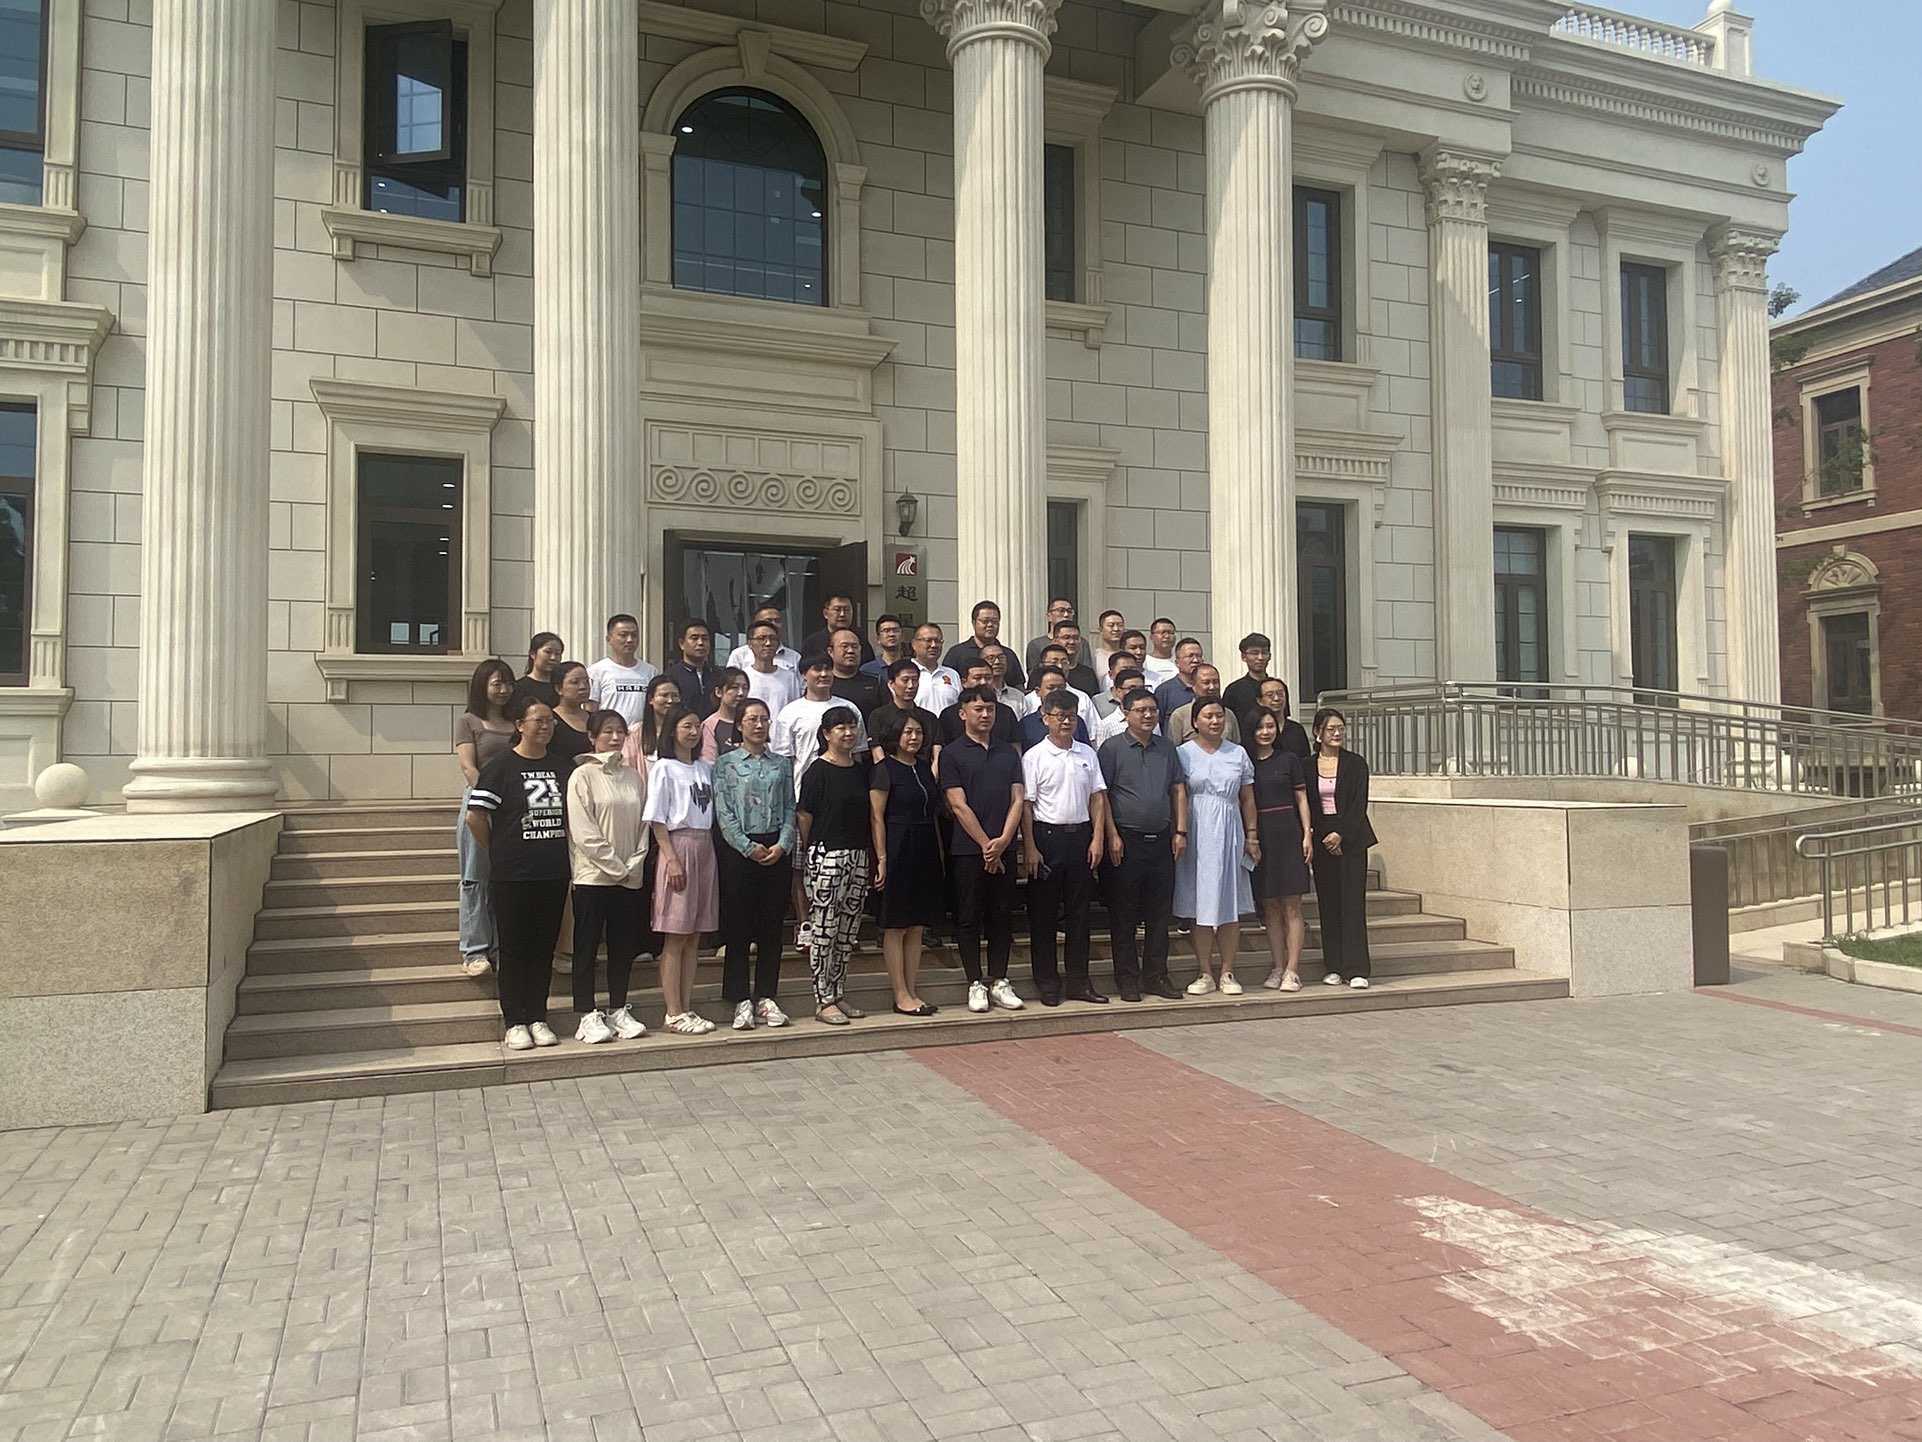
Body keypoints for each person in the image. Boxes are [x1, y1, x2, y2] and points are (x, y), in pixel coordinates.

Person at [465, 697, 570, 1050]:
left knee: (543, 947)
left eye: (550, 721)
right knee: (513, 948)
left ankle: (538, 1015)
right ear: (520, 725)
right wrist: (497, 849)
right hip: (512, 874)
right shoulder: (500, 766)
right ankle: (514, 1020)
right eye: (538, 720)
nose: (545, 726)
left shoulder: (561, 767)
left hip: (553, 872)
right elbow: (475, 816)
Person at [565, 710, 654, 1043]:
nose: (615, 738)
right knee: (587, 947)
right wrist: (616, 867)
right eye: (607, 731)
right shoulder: (582, 776)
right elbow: (583, 832)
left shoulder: (633, 777)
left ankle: (618, 1008)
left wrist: (634, 865)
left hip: (629, 878)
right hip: (593, 877)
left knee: (622, 947)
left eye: (620, 731)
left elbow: (644, 825)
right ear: (592, 737)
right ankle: (586, 1013)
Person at [1098, 689, 1188, 1002]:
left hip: (1162, 839)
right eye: (1140, 710)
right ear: (1126, 713)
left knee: (1159, 914)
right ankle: (1127, 978)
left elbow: (1178, 789)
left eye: (1152, 710)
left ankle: (1156, 976)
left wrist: (1180, 831)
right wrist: (1111, 835)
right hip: (1126, 840)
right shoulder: (1111, 749)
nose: (1148, 715)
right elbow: (1102, 795)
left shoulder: (1167, 748)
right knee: (1123, 913)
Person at [1020, 692, 1109, 1007]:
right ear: (1045, 718)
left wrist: (1097, 838)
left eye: (1071, 715)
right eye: (1060, 715)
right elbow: (1026, 806)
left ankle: (1079, 982)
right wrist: (1030, 847)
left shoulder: (1087, 753)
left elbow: (1098, 798)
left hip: (1081, 836)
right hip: (1046, 838)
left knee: (1080, 915)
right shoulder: (1034, 756)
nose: (1066, 721)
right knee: (1044, 916)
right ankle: (1047, 982)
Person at [712, 698, 796, 1031]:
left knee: (771, 927)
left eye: (764, 719)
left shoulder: (781, 764)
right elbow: (723, 812)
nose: (759, 725)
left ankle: (766, 995)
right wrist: (748, 848)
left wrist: (783, 844)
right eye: (752, 719)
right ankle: (740, 998)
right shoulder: (725, 764)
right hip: (740, 849)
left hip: (775, 847)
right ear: (740, 724)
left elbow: (789, 807)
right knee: (738, 927)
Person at [941, 686, 1026, 1014]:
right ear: (963, 713)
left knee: (1001, 916)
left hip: (1004, 845)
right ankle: (974, 981)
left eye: (990, 708)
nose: (985, 714)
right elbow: (957, 804)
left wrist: (1002, 841)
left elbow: (1017, 798)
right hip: (968, 848)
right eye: (978, 709)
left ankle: (1000, 979)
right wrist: (985, 846)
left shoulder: (1008, 752)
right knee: (969, 916)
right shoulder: (952, 754)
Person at [644, 705, 720, 1033]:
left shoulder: (704, 768)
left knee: (694, 935)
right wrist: (672, 858)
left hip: (705, 846)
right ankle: (672, 1011)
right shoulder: (664, 767)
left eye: (697, 726)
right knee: (676, 935)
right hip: (678, 845)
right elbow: (657, 819)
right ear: (672, 730)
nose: (693, 732)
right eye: (686, 726)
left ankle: (686, 1007)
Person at [1176, 698, 1258, 996]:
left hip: (1229, 829)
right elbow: (1178, 795)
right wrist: (1180, 832)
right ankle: (1205, 972)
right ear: (1195, 721)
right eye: (1208, 716)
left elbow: (1247, 798)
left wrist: (1252, 835)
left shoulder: (1238, 753)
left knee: (1228, 903)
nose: (1214, 721)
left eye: (1219, 716)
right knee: (1199, 903)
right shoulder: (1182, 754)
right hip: (1196, 831)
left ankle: (1227, 971)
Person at [797, 706, 872, 1025]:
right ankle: (822, 998)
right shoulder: (817, 770)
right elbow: (805, 816)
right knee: (825, 930)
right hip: (827, 854)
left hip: (858, 854)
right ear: (826, 733)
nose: (848, 733)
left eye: (852, 726)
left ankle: (838, 992)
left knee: (847, 931)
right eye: (840, 727)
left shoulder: (860, 770)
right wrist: (814, 852)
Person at [869, 710, 944, 1017]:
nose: (914, 737)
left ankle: (912, 990)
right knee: (896, 924)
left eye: (918, 732)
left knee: (916, 924)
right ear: (895, 735)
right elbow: (876, 816)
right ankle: (899, 993)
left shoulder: (924, 768)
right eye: (908, 732)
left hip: (924, 845)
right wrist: (882, 858)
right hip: (897, 844)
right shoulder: (883, 769)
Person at [453, 659, 516, 978]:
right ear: (482, 686)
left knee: (505, 879)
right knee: (476, 877)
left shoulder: (517, 723)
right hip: (480, 806)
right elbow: (468, 766)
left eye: (508, 683)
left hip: (513, 809)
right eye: (496, 684)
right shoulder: (468, 721)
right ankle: (475, 950)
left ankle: (501, 946)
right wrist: (490, 796)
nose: (504, 690)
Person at [1308, 706, 1377, 990]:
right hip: (1322, 838)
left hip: (1352, 838)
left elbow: (1359, 804)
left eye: (1340, 728)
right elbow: (1308, 805)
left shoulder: (1356, 764)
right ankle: (1334, 965)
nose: (1337, 733)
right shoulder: (1307, 765)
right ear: (1318, 732)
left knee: (1352, 903)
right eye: (1331, 729)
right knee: (1329, 904)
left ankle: (1356, 968)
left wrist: (1341, 834)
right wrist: (1325, 835)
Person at [1246, 707, 1314, 992]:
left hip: (1288, 832)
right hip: (1261, 835)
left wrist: (1307, 833)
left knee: (1292, 905)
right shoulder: (1246, 761)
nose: (1266, 732)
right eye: (1260, 727)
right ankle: (1277, 966)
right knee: (1270, 906)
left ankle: (1292, 969)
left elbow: (1301, 797)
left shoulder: (1289, 760)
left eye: (1270, 726)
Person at [773, 655, 869, 796]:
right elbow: (784, 759)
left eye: (828, 669)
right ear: (804, 674)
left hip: (846, 788)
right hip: (803, 791)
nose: (824, 674)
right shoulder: (789, 713)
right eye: (817, 670)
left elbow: (857, 753)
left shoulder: (849, 708)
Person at [587, 614, 658, 726]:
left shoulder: (650, 671)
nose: (629, 640)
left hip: (642, 734)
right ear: (609, 639)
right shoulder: (596, 671)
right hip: (610, 733)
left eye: (634, 635)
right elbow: (591, 709)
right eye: (623, 635)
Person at [869, 658, 941, 761]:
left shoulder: (929, 717)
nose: (911, 686)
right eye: (905, 680)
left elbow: (936, 751)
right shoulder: (879, 716)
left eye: (914, 680)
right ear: (891, 684)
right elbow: (877, 751)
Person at [944, 600, 1025, 689]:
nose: (990, 625)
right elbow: (947, 686)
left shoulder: (1007, 654)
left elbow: (1018, 687)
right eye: (985, 621)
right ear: (974, 623)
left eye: (995, 621)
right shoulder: (957, 653)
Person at [937, 660, 1017, 748]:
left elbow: (1015, 745)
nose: (983, 682)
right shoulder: (948, 714)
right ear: (964, 682)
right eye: (977, 678)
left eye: (988, 678)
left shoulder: (1006, 712)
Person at [740, 618, 803, 719]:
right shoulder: (743, 677)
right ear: (750, 643)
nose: (768, 643)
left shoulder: (789, 677)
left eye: (773, 639)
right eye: (761, 638)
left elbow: (795, 709)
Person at [1168, 664, 1242, 747]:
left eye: (1215, 682)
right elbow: (1172, 749)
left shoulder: (1228, 714)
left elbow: (1236, 745)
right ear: (1193, 685)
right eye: (1206, 683)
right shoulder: (1180, 715)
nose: (1212, 687)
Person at [622, 674, 682, 771]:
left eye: (675, 696)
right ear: (651, 699)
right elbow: (627, 768)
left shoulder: (687, 731)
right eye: (664, 695)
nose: (670, 700)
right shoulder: (634, 733)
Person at [1018, 667, 1090, 748]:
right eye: (1051, 688)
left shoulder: (1076, 722)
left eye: (1061, 688)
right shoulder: (1026, 724)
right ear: (1038, 691)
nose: (1057, 692)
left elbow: (1085, 750)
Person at [663, 619, 719, 720]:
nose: (700, 643)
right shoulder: (671, 676)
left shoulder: (717, 675)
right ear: (681, 644)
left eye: (705, 638)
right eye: (694, 638)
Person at [800, 593, 872, 665]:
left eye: (847, 610)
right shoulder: (812, 643)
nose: (842, 614)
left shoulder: (861, 641)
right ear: (825, 613)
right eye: (837, 610)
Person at [828, 627, 886, 716]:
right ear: (830, 651)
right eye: (844, 646)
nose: (850, 651)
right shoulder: (824, 684)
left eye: (855, 646)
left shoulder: (876, 682)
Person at [548, 660, 596, 768]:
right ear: (559, 688)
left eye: (586, 681)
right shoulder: (549, 720)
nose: (583, 687)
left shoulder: (595, 718)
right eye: (575, 682)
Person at [725, 605, 800, 672]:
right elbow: (731, 681)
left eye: (777, 621)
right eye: (768, 620)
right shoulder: (739, 655)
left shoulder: (794, 657)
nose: (773, 624)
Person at [1220, 633, 1273, 725]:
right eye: (1255, 653)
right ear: (1243, 657)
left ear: (1270, 656)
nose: (1260, 658)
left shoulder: (1277, 688)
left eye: (1264, 653)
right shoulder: (1233, 690)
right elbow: (1228, 723)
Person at [908, 623, 961, 713]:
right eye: (928, 640)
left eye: (937, 641)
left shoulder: (952, 674)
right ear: (914, 644)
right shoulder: (906, 673)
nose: (933, 645)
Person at [700, 667, 749, 761]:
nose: (741, 693)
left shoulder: (753, 720)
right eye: (734, 687)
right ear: (718, 692)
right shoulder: (710, 725)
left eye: (745, 688)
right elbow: (709, 762)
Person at [1257, 676, 1314, 759]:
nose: (1276, 698)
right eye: (1270, 695)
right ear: (1259, 701)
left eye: (1280, 694)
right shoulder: (1255, 729)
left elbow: (1305, 759)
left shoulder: (1297, 729)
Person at [1153, 637, 1204, 727]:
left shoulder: (1207, 688)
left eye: (1198, 656)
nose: (1195, 660)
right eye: (1190, 656)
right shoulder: (1164, 691)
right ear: (1177, 662)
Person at [1024, 597, 1076, 678]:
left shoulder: (1082, 643)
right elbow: (1033, 674)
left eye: (1069, 611)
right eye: (1061, 610)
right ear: (1049, 616)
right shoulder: (1036, 644)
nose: (1066, 615)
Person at [1092, 668, 1145, 747]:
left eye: (1141, 688)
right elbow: (1102, 752)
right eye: (1131, 688)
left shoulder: (1150, 719)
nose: (1137, 692)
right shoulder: (1107, 725)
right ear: (1118, 691)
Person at [513, 632, 565, 709]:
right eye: (548, 652)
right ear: (533, 654)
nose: (553, 658)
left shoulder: (563, 686)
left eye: (557, 654)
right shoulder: (519, 688)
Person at [1049, 620, 1101, 696]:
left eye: (1076, 638)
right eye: (1066, 637)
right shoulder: (1044, 671)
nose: (1072, 642)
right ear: (1055, 641)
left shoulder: (1088, 673)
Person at [982, 642, 1026, 716]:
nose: (997, 662)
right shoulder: (975, 695)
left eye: (1001, 658)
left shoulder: (1018, 696)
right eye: (991, 658)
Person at [859, 614, 908, 681]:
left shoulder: (912, 667)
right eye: (886, 630)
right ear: (878, 638)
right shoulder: (867, 670)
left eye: (895, 630)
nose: (891, 634)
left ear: (902, 636)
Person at [1141, 618, 1181, 690]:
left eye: (1170, 633)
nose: (1166, 636)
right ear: (1151, 637)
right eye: (1162, 632)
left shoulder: (1181, 661)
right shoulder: (1144, 662)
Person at [1090, 609, 1126, 676]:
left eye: (1120, 625)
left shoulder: (1128, 656)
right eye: (1111, 625)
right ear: (1100, 629)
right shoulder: (1093, 657)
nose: (1116, 629)